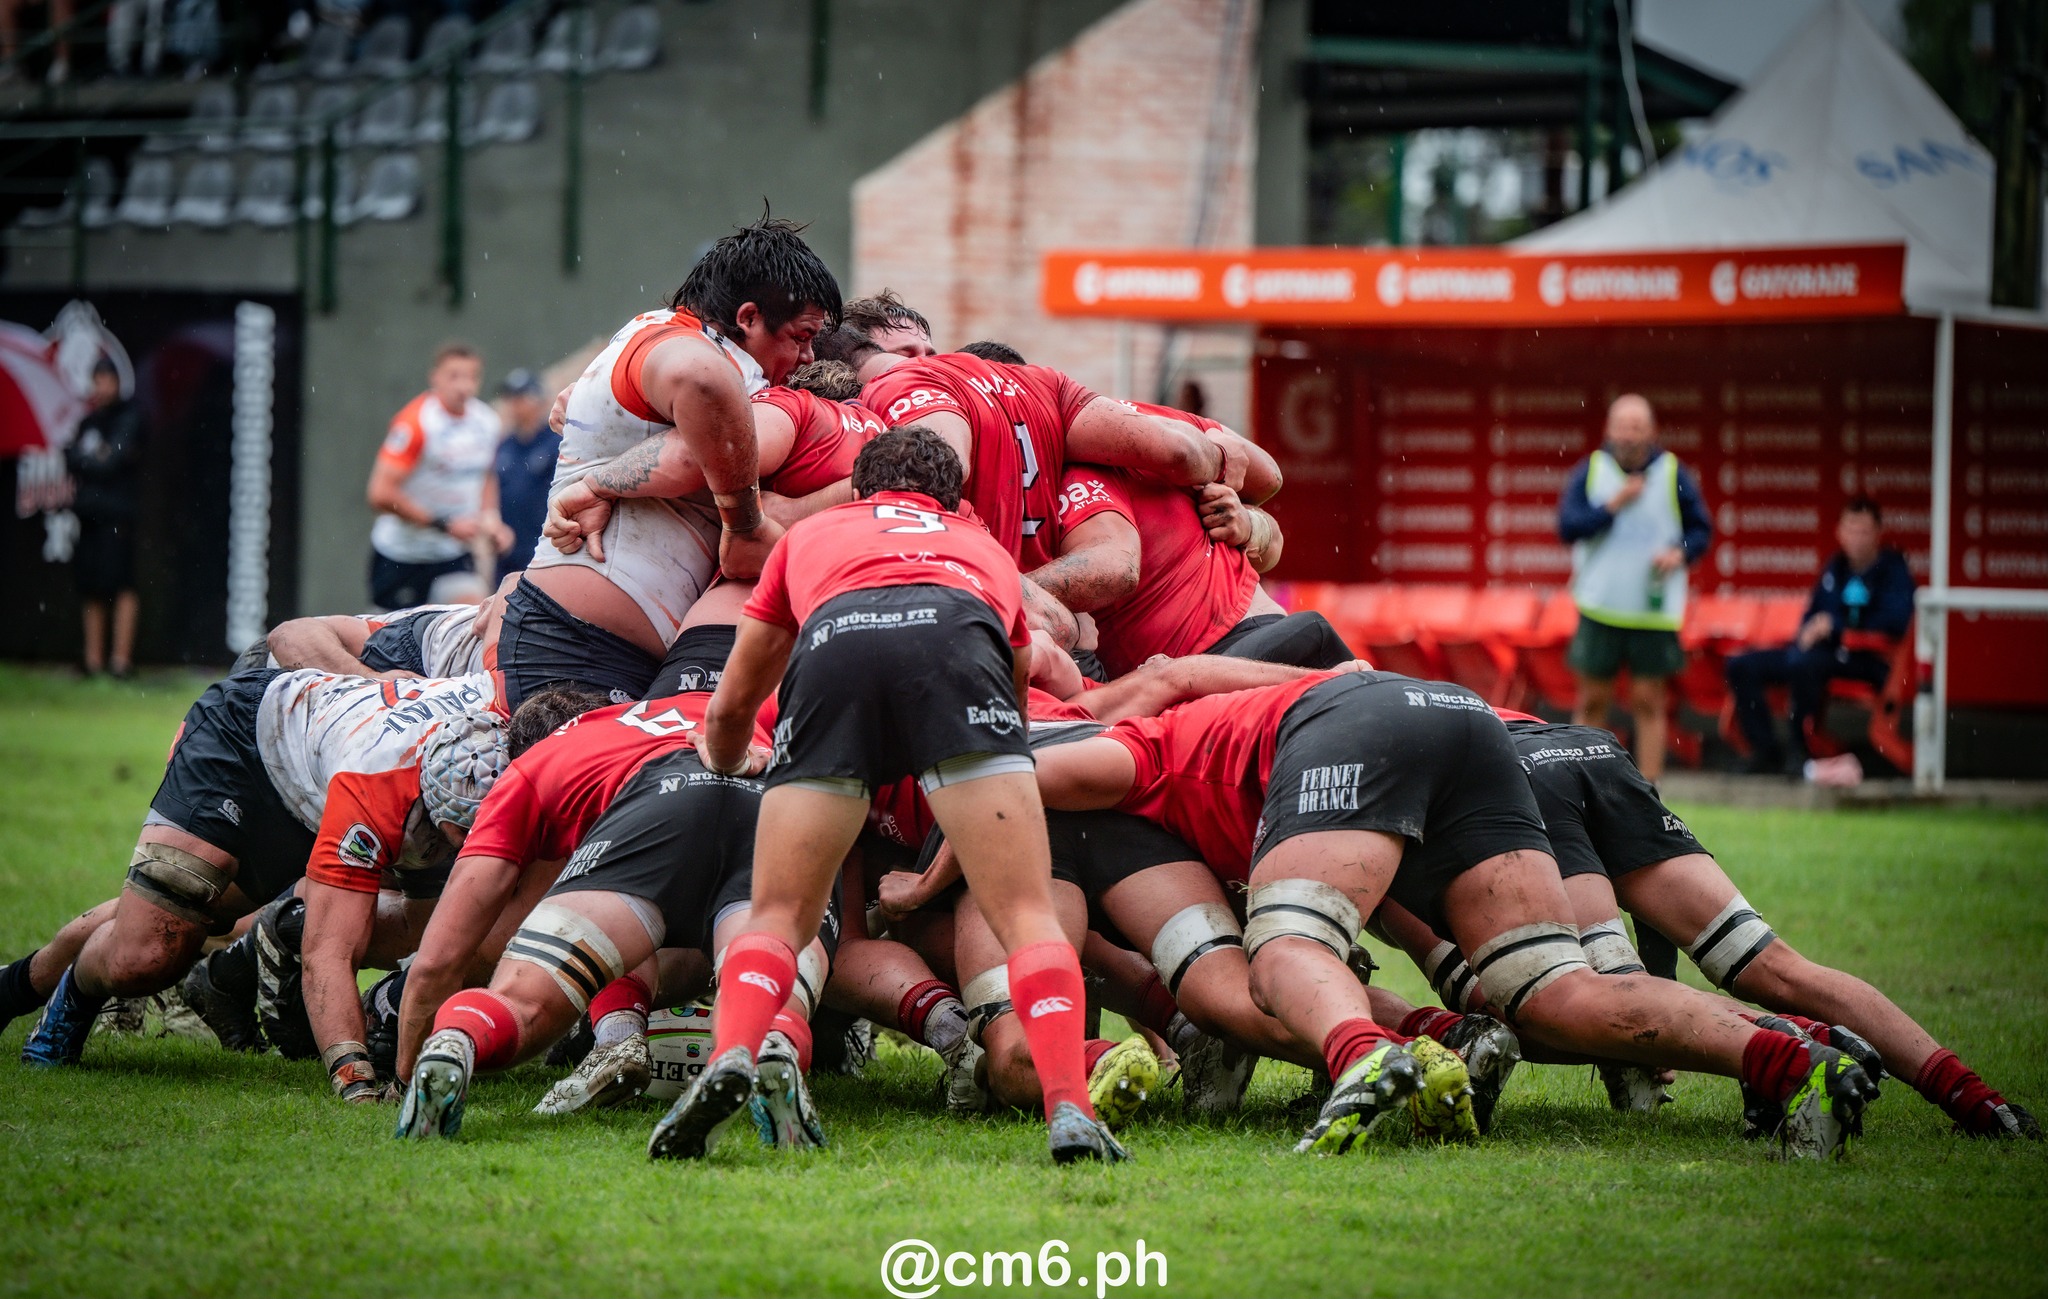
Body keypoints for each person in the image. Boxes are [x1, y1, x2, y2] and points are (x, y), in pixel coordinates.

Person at [1029, 670, 1882, 1160]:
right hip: (1466, 719)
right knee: (1554, 991)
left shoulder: (1134, 749)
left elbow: (1018, 784)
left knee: (1282, 948)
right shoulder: (1219, 728)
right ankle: (1791, 1058)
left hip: (1355, 727)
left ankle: (1363, 1058)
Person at [673, 425, 1124, 1163]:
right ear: (955, 502)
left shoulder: (809, 535)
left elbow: (730, 708)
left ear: (857, 490)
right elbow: (1013, 692)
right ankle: (1069, 1106)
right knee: (1025, 914)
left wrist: (728, 757)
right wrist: (968, 760)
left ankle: (732, 1056)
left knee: (779, 914)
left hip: (837, 641)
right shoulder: (983, 548)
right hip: (959, 636)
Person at [512, 215, 841, 707]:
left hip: (598, 639)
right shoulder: (686, 347)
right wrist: (744, 522)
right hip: (575, 642)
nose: (809, 356)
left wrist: (600, 482)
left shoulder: (680, 343)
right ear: (749, 318)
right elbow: (700, 381)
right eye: (801, 336)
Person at [1556, 394, 1711, 783]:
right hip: (1600, 606)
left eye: (1636, 427)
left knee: (1648, 701)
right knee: (1593, 700)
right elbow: (1568, 527)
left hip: (1652, 611)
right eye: (1622, 427)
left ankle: (1649, 791)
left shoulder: (1673, 473)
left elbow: (1701, 531)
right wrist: (1613, 504)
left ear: (1652, 431)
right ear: (1608, 430)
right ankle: (1580, 786)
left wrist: (1680, 551)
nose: (1628, 435)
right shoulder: (1591, 471)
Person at [1724, 497, 1916, 776]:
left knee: (1804, 664)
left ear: (1878, 533)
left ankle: (1799, 750)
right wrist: (1810, 631)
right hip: (1820, 654)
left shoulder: (1893, 570)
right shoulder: (1836, 567)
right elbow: (1813, 615)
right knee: (1742, 665)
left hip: (1867, 660)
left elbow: (1895, 622)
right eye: (1851, 529)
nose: (1857, 538)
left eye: (1864, 531)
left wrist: (1836, 628)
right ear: (1840, 532)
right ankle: (1765, 750)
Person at [365, 342, 511, 611]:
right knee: (396, 633)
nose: (463, 386)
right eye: (454, 376)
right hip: (403, 555)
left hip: (453, 554)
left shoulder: (487, 422)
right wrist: (444, 525)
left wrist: (492, 519)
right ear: (435, 378)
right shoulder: (416, 422)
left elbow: (485, 474)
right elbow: (380, 494)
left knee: (473, 615)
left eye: (472, 377)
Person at [65, 358, 144, 679]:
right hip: (89, 517)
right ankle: (93, 661)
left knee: (122, 585)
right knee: (91, 587)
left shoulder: (130, 416)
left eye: (107, 380)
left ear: (117, 382)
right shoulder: (89, 421)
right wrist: (93, 458)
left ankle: (120, 662)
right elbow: (70, 457)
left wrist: (90, 459)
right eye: (97, 380)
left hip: (117, 517)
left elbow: (111, 462)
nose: (102, 387)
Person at [491, 368, 560, 583]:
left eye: (520, 397)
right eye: (510, 398)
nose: (514, 404)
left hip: (545, 548)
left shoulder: (556, 442)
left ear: (538, 398)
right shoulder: (504, 446)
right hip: (508, 551)